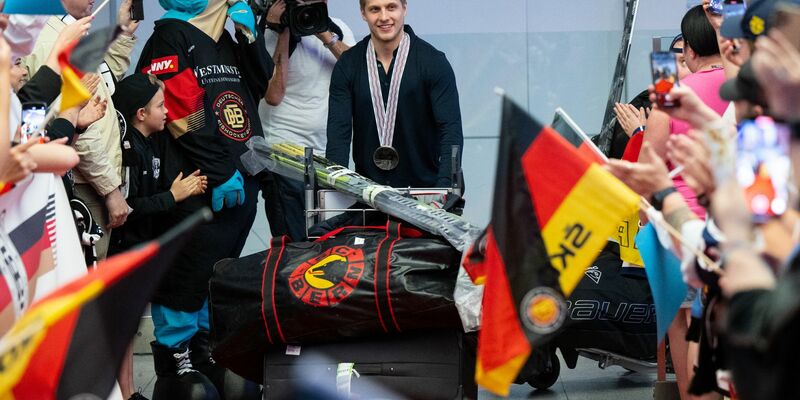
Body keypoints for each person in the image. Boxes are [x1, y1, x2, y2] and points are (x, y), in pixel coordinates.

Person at [135, 0, 272, 397]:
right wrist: (218, 169)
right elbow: (181, 110)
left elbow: (261, 86)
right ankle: (175, 358)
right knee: (186, 270)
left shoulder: (226, 37)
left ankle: (203, 352)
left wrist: (250, 39)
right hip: (197, 183)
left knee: (215, 273)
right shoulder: (169, 37)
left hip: (239, 183)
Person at [20, 0, 141, 261]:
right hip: (87, 182)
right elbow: (76, 121)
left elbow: (103, 86)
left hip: (95, 177)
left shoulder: (67, 31)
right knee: (86, 272)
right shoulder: (48, 40)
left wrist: (122, 32)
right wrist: (110, 190)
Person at [326, 0, 463, 189]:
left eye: (391, 7)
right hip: (367, 195)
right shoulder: (348, 65)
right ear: (363, 13)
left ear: (404, 8)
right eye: (375, 9)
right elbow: (338, 136)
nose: (384, 17)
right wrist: (334, 188)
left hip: (425, 193)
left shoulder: (433, 62)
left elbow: (450, 130)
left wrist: (445, 188)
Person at [258, 0, 355, 240]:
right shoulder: (270, 33)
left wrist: (321, 30)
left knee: (330, 242)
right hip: (283, 155)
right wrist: (284, 32)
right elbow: (273, 95)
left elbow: (357, 73)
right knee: (294, 246)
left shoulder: (337, 29)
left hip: (326, 156)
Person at [108, 73, 207, 255]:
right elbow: (127, 207)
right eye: (161, 106)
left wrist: (183, 188)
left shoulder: (151, 142)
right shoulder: (129, 152)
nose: (167, 111)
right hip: (122, 250)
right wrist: (172, 196)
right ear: (141, 114)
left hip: (142, 243)